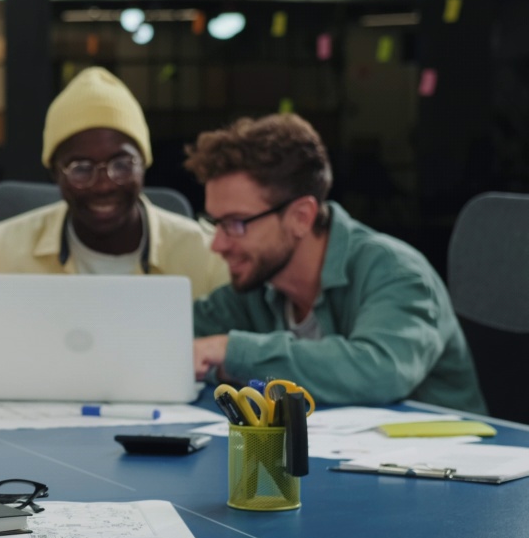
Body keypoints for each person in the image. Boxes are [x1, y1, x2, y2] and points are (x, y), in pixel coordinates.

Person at [187, 113, 486, 412]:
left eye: (236, 223)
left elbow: (380, 371)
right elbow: (181, 334)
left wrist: (231, 352)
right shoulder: (261, 284)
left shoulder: (397, 272)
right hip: (334, 454)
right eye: (215, 223)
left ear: (301, 217)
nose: (218, 244)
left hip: (440, 454)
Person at [0, 67, 228, 345]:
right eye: (81, 168)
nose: (104, 184)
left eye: (121, 165)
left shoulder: (207, 256)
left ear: (144, 164)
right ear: (54, 173)